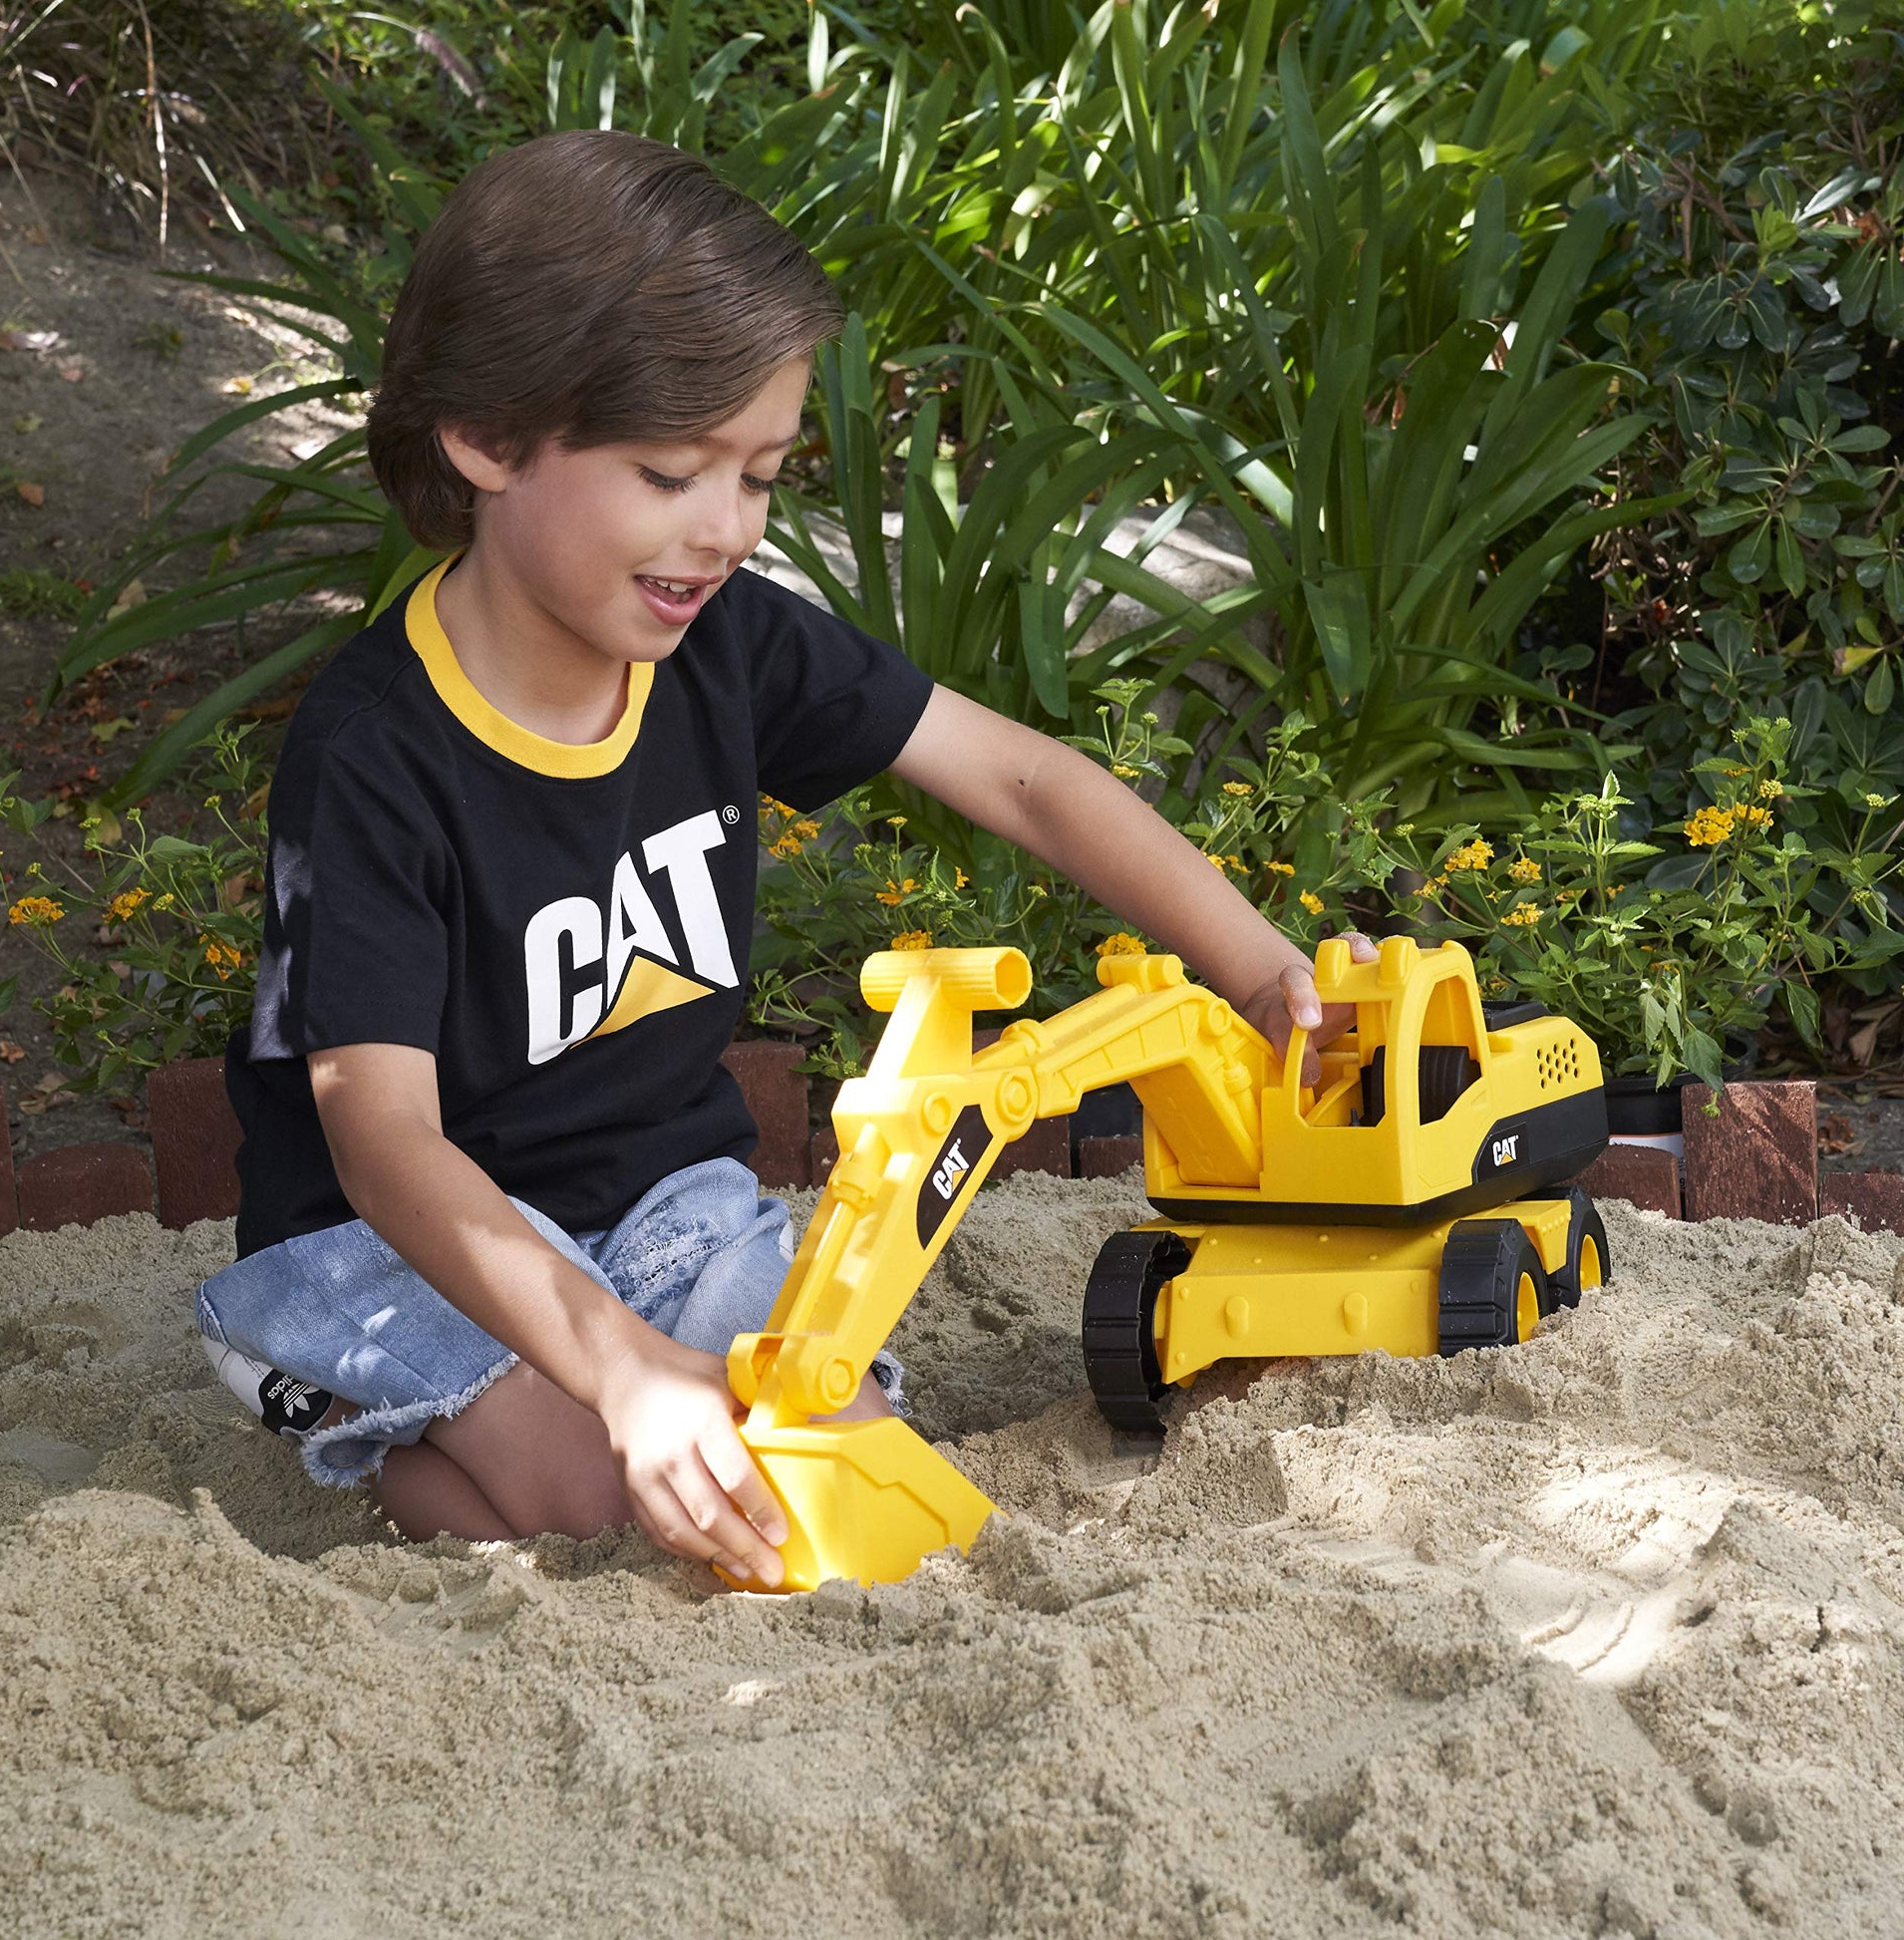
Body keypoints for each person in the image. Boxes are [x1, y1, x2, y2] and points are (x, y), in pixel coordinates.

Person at [192, 129, 1373, 1592]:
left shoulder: (727, 646)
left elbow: (1024, 778)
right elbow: (383, 1146)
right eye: (668, 471)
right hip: (398, 1239)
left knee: (804, 1458)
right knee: (605, 1497)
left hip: (661, 1211)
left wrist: (1258, 969)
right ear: (487, 439)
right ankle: (364, 1424)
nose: (722, 531)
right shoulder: (375, 756)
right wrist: (623, 1372)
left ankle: (554, 1416)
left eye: (756, 476)